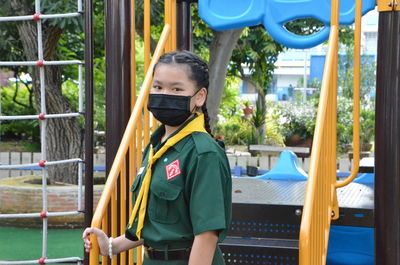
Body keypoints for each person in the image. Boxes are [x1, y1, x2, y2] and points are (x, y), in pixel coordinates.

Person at [83, 50, 232, 265]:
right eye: (158, 87)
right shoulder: (157, 147)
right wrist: (112, 246)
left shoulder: (203, 153)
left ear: (200, 96)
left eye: (176, 89)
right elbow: (157, 224)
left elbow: (207, 235)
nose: (165, 94)